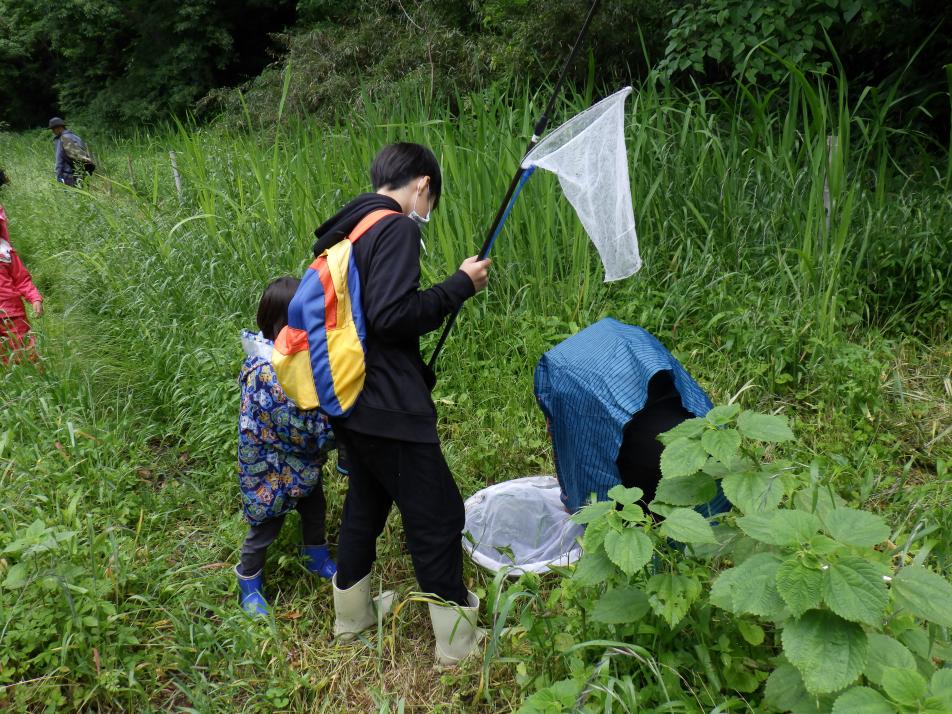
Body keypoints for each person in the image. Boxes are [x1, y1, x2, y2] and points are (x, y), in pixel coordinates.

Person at [316, 143, 490, 664]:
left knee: (365, 505)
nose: (428, 205)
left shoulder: (350, 227)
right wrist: (461, 285)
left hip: (349, 398)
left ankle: (353, 620)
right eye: (430, 195)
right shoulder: (394, 227)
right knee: (437, 513)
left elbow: (369, 320)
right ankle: (459, 647)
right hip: (387, 407)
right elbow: (392, 316)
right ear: (421, 184)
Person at [535, 318, 730, 516]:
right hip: (720, 486)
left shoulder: (587, 421)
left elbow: (583, 505)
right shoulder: (667, 391)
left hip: (654, 514)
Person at [235, 276, 338, 617]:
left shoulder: (291, 358)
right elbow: (296, 424)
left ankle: (315, 554)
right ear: (283, 323)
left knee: (314, 505)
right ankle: (248, 581)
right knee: (264, 528)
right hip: (269, 469)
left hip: (299, 464)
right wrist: (335, 429)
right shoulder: (266, 371)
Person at [0, 203, 43, 364]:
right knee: (4, 361)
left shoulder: (5, 252)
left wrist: (34, 298)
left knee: (26, 350)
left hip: (13, 314)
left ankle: (40, 384)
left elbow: (22, 279)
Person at [49, 117, 94, 187]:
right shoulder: (76, 137)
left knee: (71, 196)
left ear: (58, 128)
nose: (53, 131)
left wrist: (58, 176)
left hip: (68, 176)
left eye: (53, 129)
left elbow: (59, 160)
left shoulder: (61, 139)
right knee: (84, 195)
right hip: (83, 173)